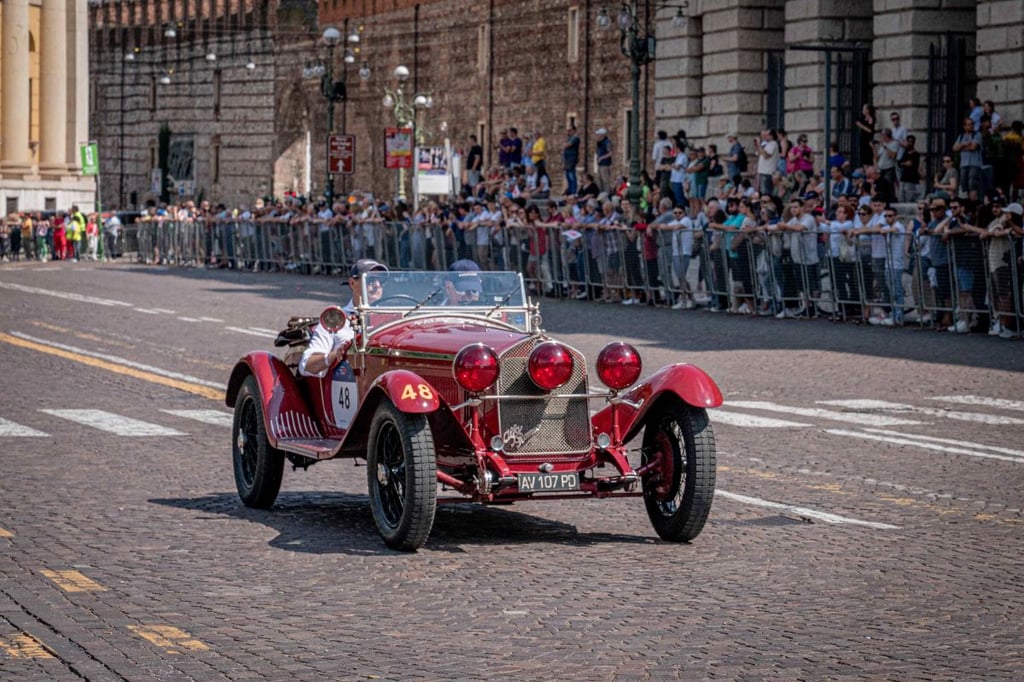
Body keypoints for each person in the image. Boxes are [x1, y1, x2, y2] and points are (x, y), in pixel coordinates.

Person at [298, 259, 388, 378]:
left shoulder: (394, 318)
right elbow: (306, 365)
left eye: (381, 280)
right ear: (352, 283)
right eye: (370, 280)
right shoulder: (336, 318)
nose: (377, 285)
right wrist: (336, 355)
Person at [562, 125, 581, 196]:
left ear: (574, 130)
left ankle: (573, 190)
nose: (568, 132)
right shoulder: (569, 138)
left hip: (571, 159)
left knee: (571, 175)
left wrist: (565, 145)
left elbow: (568, 145)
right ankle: (569, 189)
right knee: (568, 175)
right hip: (567, 159)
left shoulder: (575, 138)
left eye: (569, 130)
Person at [595, 128, 613, 193]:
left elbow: (610, 153)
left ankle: (606, 193)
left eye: (599, 134)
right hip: (600, 164)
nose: (597, 136)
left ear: (603, 135)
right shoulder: (599, 143)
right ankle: (600, 192)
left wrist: (602, 158)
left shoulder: (607, 142)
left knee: (605, 180)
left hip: (605, 164)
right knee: (599, 180)